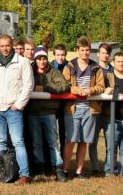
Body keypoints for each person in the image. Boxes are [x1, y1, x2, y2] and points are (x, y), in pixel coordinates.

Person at [0, 34, 34, 186]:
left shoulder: (23, 62)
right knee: (0, 142)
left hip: (13, 109)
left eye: (7, 45)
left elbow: (28, 86)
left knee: (18, 142)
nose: (5, 48)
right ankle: (4, 173)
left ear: (12, 45)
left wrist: (18, 105)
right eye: (2, 46)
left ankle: (24, 175)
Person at [61, 36, 105, 180]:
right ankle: (65, 170)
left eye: (87, 50)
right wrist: (77, 90)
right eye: (82, 50)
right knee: (71, 141)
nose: (85, 53)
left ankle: (79, 171)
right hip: (72, 109)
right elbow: (64, 85)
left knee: (84, 141)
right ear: (77, 50)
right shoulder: (70, 66)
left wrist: (90, 90)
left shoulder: (95, 67)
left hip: (90, 109)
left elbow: (101, 86)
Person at [25, 46, 70, 182]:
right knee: (36, 143)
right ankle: (39, 168)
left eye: (44, 58)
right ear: (35, 59)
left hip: (49, 112)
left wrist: (46, 88)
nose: (42, 61)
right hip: (33, 112)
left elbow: (64, 86)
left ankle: (58, 168)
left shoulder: (54, 72)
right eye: (39, 58)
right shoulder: (29, 71)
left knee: (53, 142)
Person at [89, 42, 113, 176]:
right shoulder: (93, 69)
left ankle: (108, 168)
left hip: (109, 111)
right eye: (103, 53)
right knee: (92, 141)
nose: (105, 55)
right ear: (98, 54)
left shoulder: (113, 70)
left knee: (110, 143)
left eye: (107, 53)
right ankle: (94, 168)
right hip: (95, 110)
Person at [51, 43, 68, 157]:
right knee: (51, 133)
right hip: (52, 105)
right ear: (54, 55)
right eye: (58, 55)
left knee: (64, 133)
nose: (60, 57)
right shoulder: (49, 67)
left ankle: (62, 157)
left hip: (65, 105)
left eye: (62, 55)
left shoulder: (69, 67)